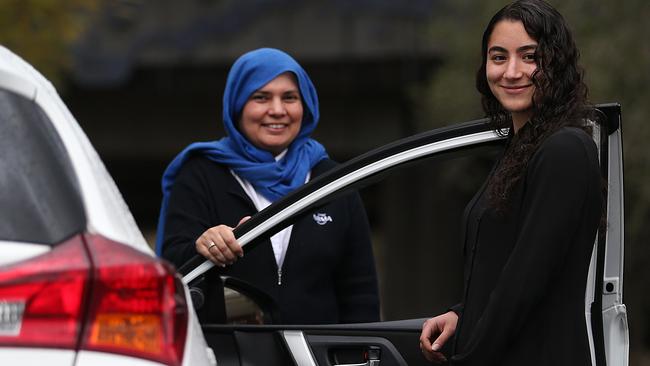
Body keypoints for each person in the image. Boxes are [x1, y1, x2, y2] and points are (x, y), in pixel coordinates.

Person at [419, 1, 602, 365]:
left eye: (530, 57)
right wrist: (462, 313)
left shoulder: (563, 149)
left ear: (556, 64)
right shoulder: (519, 149)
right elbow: (503, 263)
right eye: (498, 57)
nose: (512, 71)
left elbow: (526, 283)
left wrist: (468, 359)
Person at [156, 48, 380, 325]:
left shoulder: (332, 180)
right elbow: (171, 267)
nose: (277, 110)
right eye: (260, 97)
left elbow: (359, 290)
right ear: (237, 105)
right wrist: (203, 245)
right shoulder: (200, 172)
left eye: (290, 98)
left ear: (305, 105)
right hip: (227, 352)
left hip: (314, 353)